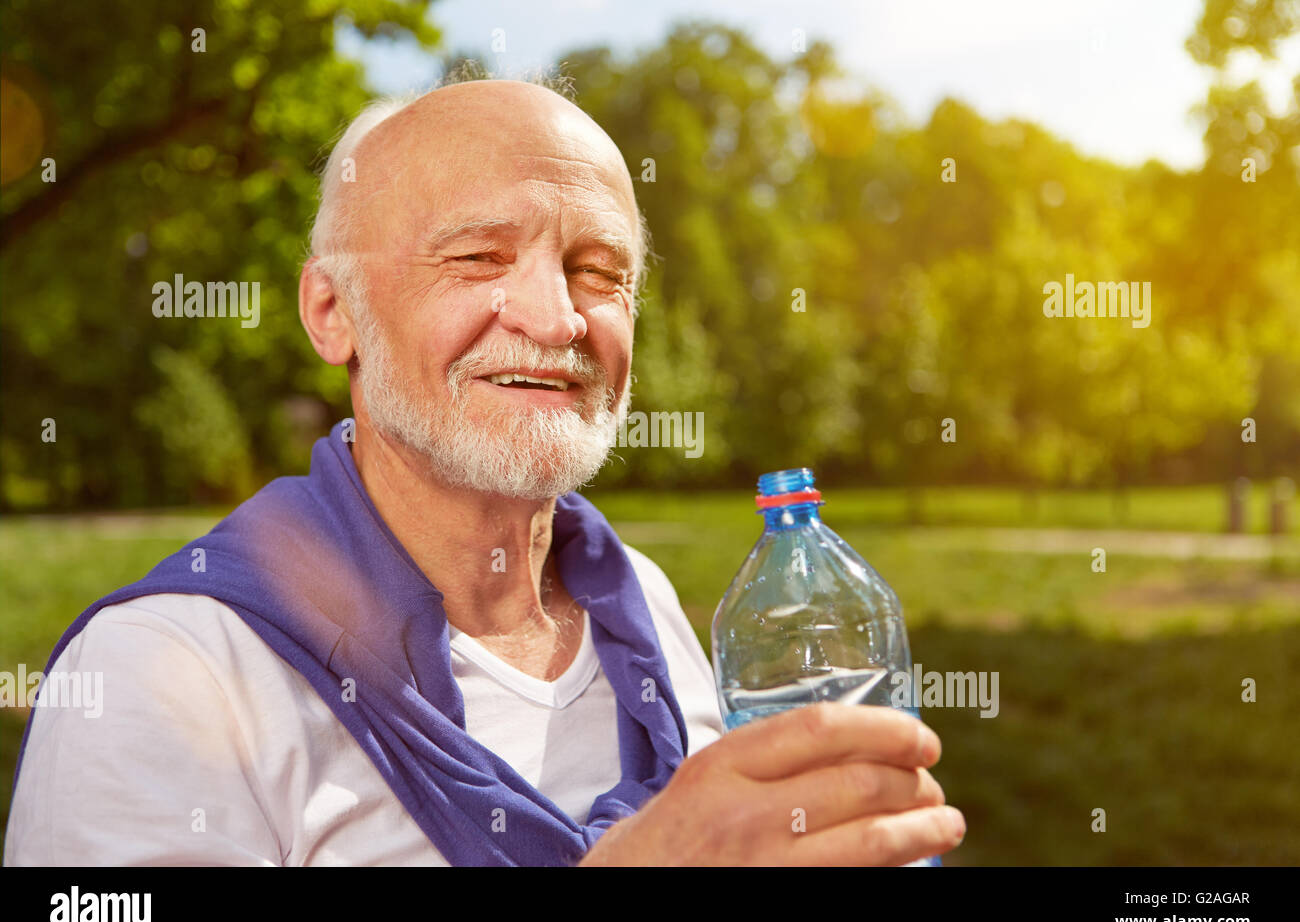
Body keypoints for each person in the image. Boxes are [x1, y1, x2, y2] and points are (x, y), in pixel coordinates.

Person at [4, 75, 964, 866]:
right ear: (332, 311)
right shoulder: (163, 673)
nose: (556, 321)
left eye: (599, 270)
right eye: (476, 256)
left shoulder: (656, 611)